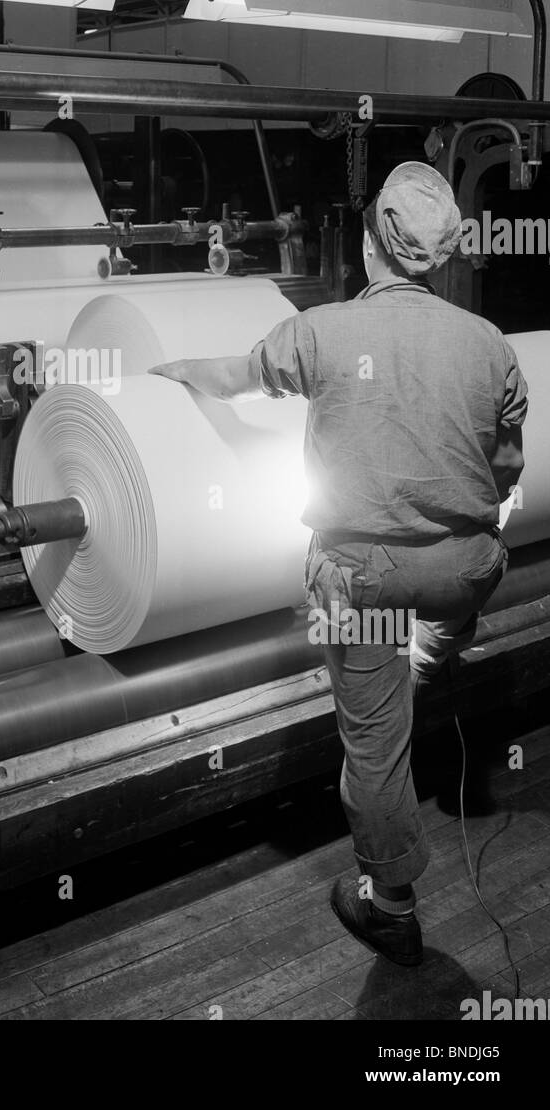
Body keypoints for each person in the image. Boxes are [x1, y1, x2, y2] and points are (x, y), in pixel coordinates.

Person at [151, 162, 527, 967]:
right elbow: (505, 472)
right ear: (442, 256)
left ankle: (388, 905)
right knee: (439, 613)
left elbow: (234, 380)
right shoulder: (489, 344)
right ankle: (425, 652)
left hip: (364, 582)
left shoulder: (319, 332)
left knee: (375, 745)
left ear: (369, 246)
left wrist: (176, 374)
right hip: (464, 569)